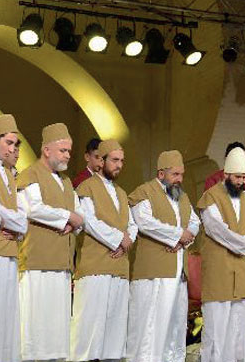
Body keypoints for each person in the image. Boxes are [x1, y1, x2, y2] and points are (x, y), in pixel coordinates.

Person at [16, 123, 83, 362]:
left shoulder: (65, 182)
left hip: (62, 263)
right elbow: (34, 208)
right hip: (38, 262)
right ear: (46, 150)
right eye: (63, 150)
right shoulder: (30, 174)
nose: (67, 155)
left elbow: (80, 213)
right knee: (35, 324)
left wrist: (75, 220)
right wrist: (67, 217)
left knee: (57, 325)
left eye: (69, 151)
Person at [127, 150, 201, 362]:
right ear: (161, 174)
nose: (180, 179)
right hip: (154, 272)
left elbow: (195, 222)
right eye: (175, 174)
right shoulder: (145, 192)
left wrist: (185, 238)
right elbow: (145, 222)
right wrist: (178, 235)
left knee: (175, 326)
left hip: (179, 272)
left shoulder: (182, 197)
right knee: (151, 328)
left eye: (181, 174)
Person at [70, 140, 137, 362]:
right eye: (115, 160)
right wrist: (118, 239)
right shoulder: (86, 187)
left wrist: (127, 240)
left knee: (115, 334)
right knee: (89, 331)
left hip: (119, 268)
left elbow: (132, 224)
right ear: (101, 161)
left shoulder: (121, 193)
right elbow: (89, 221)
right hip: (95, 268)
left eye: (122, 161)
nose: (119, 165)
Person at [196, 146, 245, 362]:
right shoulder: (211, 197)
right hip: (220, 273)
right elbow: (217, 230)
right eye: (237, 177)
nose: (241, 181)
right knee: (216, 333)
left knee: (242, 333)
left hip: (243, 274)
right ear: (226, 175)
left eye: (244, 177)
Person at [0, 114, 28, 362]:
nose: (13, 149)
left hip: (11, 251)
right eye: (9, 143)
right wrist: (12, 220)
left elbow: (23, 217)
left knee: (8, 315)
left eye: (16, 144)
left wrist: (13, 223)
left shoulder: (11, 175)